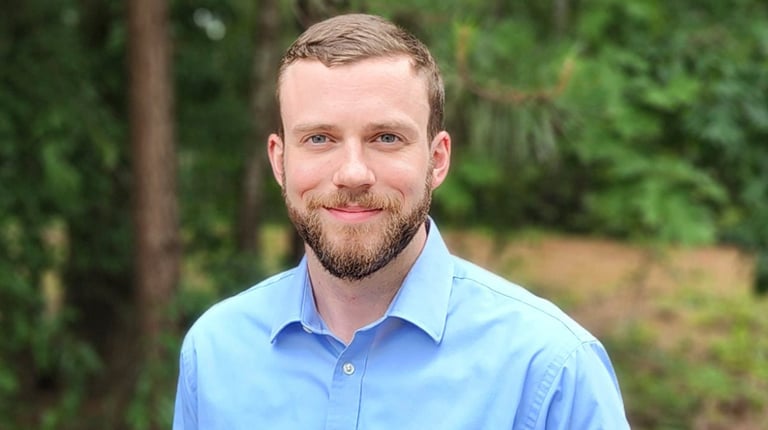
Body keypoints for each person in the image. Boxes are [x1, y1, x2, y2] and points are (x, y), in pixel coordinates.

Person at [173, 13, 630, 430]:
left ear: (437, 159)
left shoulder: (549, 369)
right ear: (280, 161)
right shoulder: (215, 353)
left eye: (386, 137)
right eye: (319, 138)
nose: (353, 173)